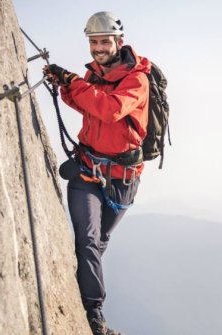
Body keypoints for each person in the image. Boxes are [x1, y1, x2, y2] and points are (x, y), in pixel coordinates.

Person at [44, 11, 153, 335]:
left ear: (118, 42)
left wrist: (73, 82)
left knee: (99, 242)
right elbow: (87, 106)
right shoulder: (93, 76)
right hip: (87, 172)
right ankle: (93, 313)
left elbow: (110, 109)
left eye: (104, 41)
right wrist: (65, 86)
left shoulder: (137, 79)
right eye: (94, 42)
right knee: (89, 241)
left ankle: (84, 295)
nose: (98, 48)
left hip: (122, 180)